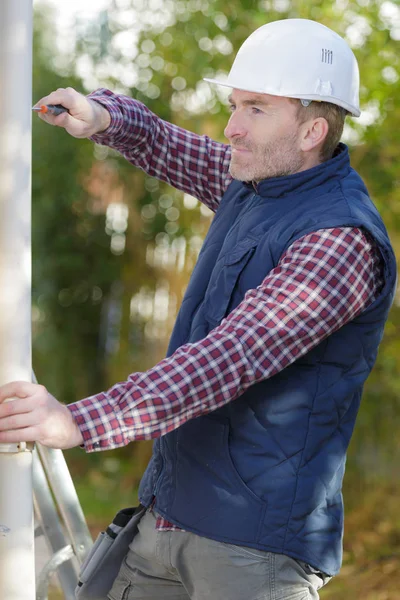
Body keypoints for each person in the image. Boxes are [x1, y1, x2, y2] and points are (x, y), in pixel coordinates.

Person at [0, 17, 396, 600]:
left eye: (255, 109)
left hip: (250, 553)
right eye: (235, 105)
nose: (232, 127)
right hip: (166, 516)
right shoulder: (257, 184)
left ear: (313, 129)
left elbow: (228, 358)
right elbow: (169, 146)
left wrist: (81, 421)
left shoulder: (338, 239)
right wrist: (105, 117)